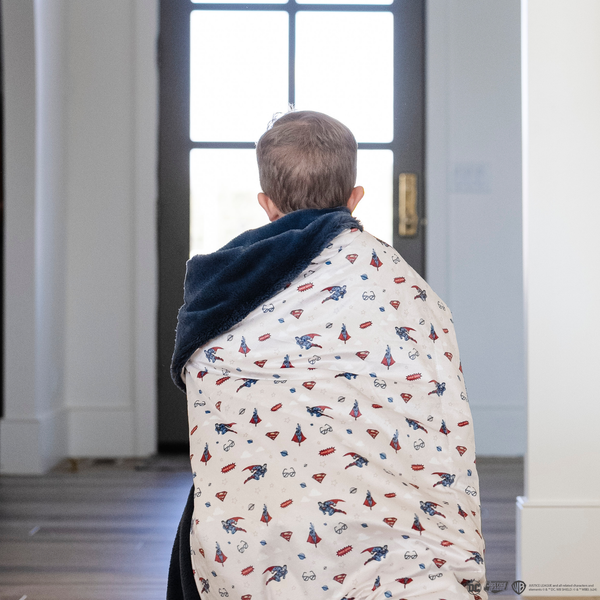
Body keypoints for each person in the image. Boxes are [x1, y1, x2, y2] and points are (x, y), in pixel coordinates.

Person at [168, 111, 487, 600]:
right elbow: (437, 402)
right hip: (391, 542)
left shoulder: (223, 294)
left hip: (261, 536)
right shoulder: (405, 290)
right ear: (355, 197)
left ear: (266, 205)